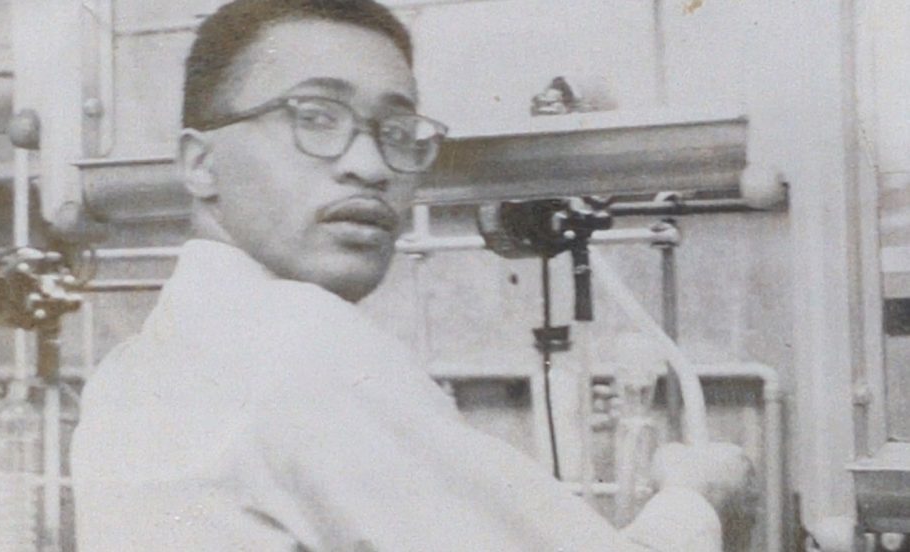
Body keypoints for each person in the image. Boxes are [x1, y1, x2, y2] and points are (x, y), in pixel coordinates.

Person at [70, 1, 754, 550]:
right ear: (198, 163)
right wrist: (698, 501)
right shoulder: (294, 344)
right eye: (315, 117)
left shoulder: (130, 374)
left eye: (397, 132)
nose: (369, 166)